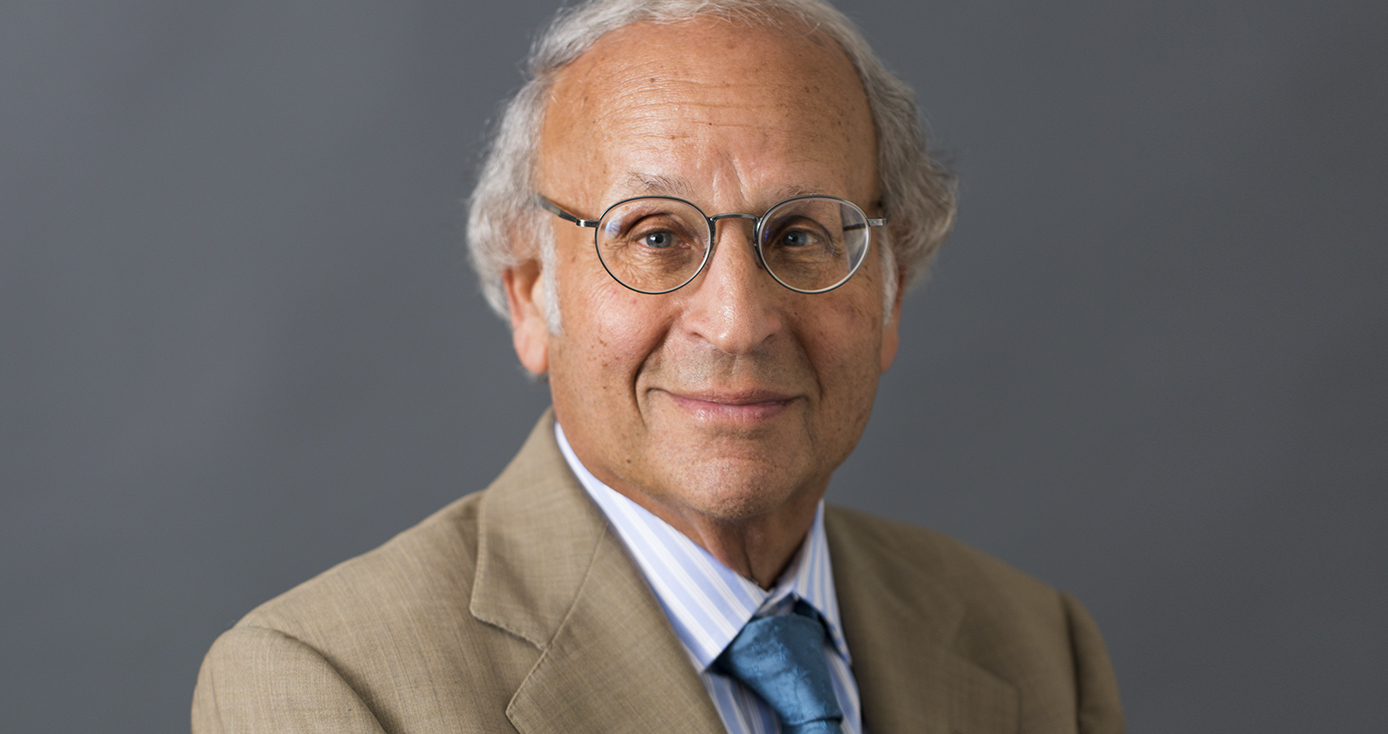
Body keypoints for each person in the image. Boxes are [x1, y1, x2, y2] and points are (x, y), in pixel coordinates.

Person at [191, 0, 1124, 731]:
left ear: (892, 288)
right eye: (654, 236)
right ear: (529, 293)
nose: (737, 323)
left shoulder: (1039, 651)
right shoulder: (330, 688)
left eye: (800, 234)